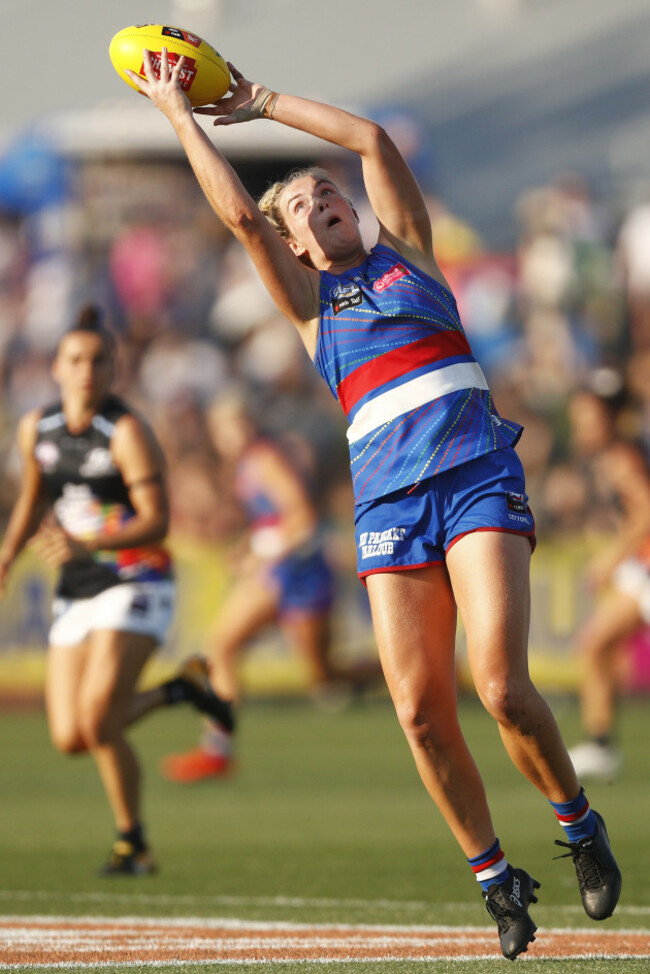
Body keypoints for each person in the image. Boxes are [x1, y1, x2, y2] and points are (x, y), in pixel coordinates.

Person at [131, 51, 622, 958]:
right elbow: (239, 214)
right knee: (420, 712)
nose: (323, 207)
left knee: (502, 687)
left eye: (329, 196)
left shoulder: (408, 253)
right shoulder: (313, 308)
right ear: (296, 245)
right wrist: (176, 113)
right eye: (305, 211)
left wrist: (260, 103)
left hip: (476, 474)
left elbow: (370, 138)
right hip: (389, 505)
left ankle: (580, 826)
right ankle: (495, 878)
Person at [0, 305, 229, 875]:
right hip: (77, 587)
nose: (86, 370)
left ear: (114, 369)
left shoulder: (126, 432)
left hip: (135, 577)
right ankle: (180, 690)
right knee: (70, 737)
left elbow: (157, 520)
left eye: (99, 360)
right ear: (56, 366)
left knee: (100, 720)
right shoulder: (38, 429)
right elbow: (33, 497)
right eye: (76, 359)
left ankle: (133, 843)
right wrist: (6, 554)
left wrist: (90, 543)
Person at [161, 389, 379, 783]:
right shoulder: (250, 462)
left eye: (236, 424)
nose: (230, 434)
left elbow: (302, 519)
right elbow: (273, 520)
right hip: (286, 572)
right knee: (227, 645)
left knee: (323, 679)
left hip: (298, 572)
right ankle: (216, 749)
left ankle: (423, 673)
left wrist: (260, 554)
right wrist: (247, 547)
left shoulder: (264, 458)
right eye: (224, 427)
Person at [565, 387, 650, 780]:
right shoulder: (615, 455)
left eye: (587, 416)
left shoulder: (620, 457)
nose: (579, 426)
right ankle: (600, 747)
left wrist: (609, 559)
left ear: (610, 417)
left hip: (644, 568)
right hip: (640, 570)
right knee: (595, 644)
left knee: (595, 644)